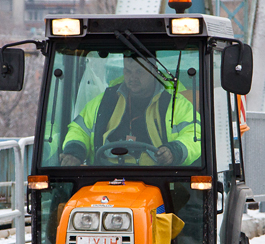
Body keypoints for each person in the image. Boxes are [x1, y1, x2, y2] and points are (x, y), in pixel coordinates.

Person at [60, 56, 200, 166]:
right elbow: (79, 129)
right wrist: (74, 151)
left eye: (139, 71)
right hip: (105, 175)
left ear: (153, 71)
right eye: (128, 71)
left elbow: (194, 135)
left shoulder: (175, 103)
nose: (133, 77)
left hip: (160, 178)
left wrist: (174, 151)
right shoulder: (105, 101)